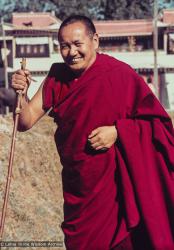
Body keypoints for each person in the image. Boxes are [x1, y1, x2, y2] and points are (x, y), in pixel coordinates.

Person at [12, 15, 174, 250]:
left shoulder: (119, 75)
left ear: (95, 41)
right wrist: (22, 92)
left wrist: (119, 132)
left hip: (115, 195)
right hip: (79, 190)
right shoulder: (57, 76)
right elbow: (24, 121)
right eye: (65, 46)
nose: (72, 52)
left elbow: (160, 126)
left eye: (78, 44)